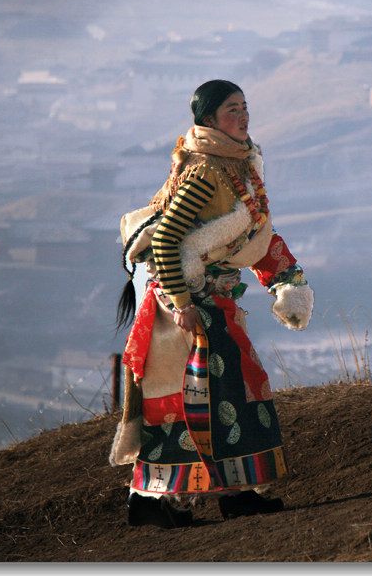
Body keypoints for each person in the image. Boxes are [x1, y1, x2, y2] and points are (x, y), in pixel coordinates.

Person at [110, 79, 314, 528]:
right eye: (230, 110)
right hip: (185, 305)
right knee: (186, 404)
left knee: (230, 393)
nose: (242, 116)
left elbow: (254, 236)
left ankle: (236, 493)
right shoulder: (206, 170)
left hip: (209, 300)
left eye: (244, 107)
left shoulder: (238, 163)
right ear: (207, 121)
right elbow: (165, 240)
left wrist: (286, 280)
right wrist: (182, 303)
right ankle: (150, 501)